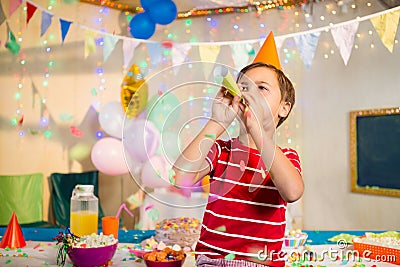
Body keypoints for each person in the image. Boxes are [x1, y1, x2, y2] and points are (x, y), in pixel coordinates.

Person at [172, 34, 303, 267]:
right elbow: (180, 177)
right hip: (211, 261)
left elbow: (292, 192)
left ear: (284, 108)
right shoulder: (221, 150)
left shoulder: (286, 157)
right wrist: (216, 123)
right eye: (244, 87)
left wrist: (258, 132)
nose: (249, 93)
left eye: (261, 88)